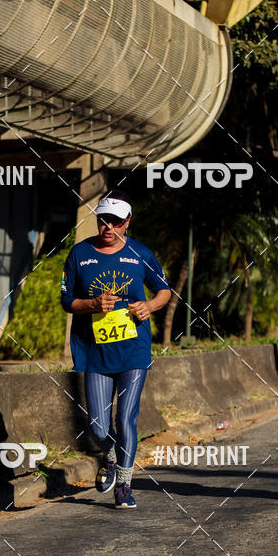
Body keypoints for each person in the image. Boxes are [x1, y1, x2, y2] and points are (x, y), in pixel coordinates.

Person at [61, 190, 171, 508]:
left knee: (125, 419)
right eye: (103, 220)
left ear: (127, 222)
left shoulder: (139, 253)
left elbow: (164, 290)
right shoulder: (79, 254)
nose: (108, 227)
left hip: (133, 350)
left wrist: (148, 306)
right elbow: (67, 300)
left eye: (115, 221)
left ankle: (124, 484)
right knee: (97, 426)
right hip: (95, 351)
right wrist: (92, 304)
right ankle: (110, 455)